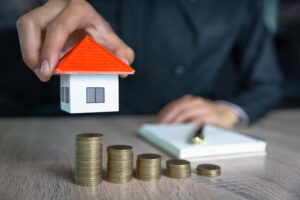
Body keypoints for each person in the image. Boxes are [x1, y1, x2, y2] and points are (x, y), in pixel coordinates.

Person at [16, 0, 282, 128]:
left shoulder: (241, 5)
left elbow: (267, 82)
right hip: (84, 127)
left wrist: (230, 111)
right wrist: (52, 46)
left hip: (183, 127)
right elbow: (37, 74)